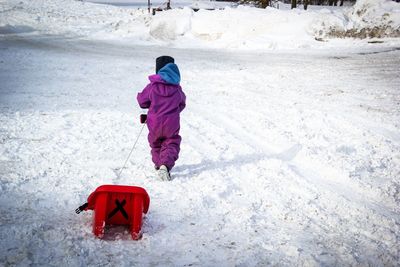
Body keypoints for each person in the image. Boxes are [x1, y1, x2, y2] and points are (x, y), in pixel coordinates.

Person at [137, 56, 186, 181]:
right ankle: (164, 166)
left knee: (156, 143)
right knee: (171, 142)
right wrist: (173, 111)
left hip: (155, 123)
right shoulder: (177, 89)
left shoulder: (152, 87)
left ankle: (159, 164)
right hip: (172, 123)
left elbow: (142, 101)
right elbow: (182, 103)